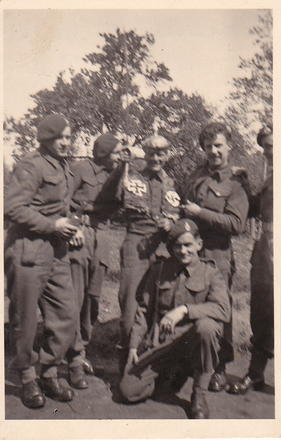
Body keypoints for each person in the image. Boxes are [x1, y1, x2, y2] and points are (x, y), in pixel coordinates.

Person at [4, 114, 81, 408]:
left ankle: (49, 371)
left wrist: (74, 226)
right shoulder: (31, 165)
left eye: (69, 136)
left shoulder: (64, 166)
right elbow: (12, 209)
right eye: (61, 137)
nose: (67, 142)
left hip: (56, 251)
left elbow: (64, 206)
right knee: (25, 320)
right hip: (27, 249)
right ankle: (27, 377)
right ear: (46, 138)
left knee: (66, 314)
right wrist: (53, 226)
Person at [119, 218, 230, 419]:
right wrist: (134, 346)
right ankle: (171, 372)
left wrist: (185, 310)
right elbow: (144, 310)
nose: (183, 251)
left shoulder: (211, 272)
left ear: (199, 244)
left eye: (188, 245)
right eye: (177, 246)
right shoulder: (160, 270)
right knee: (128, 390)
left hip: (194, 341)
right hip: (164, 344)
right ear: (171, 248)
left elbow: (223, 309)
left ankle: (199, 393)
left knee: (208, 327)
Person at [99, 135, 180, 367]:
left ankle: (154, 360)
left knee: (159, 302)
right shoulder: (131, 176)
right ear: (145, 153)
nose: (156, 157)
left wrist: (171, 224)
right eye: (152, 152)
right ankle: (126, 361)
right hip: (136, 242)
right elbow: (112, 195)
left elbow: (177, 212)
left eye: (161, 153)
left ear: (167, 155)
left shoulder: (171, 183)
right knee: (131, 302)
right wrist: (123, 165)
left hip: (163, 246)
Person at [181, 121, 249, 392]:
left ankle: (220, 368)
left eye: (218, 145)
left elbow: (237, 224)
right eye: (209, 146)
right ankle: (193, 362)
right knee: (192, 301)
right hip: (193, 253)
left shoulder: (236, 182)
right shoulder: (196, 175)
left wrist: (200, 213)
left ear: (228, 146)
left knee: (221, 309)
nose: (214, 151)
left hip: (219, 254)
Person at [66, 133, 124, 388]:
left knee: (93, 299)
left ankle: (83, 349)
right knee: (75, 297)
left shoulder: (118, 173)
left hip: (103, 234)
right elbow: (61, 200)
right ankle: (74, 359)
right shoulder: (80, 168)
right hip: (80, 234)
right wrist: (72, 227)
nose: (119, 156)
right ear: (103, 152)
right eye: (116, 153)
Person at [227, 123, 273, 394]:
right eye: (266, 146)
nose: (269, 151)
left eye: (272, 145)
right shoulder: (271, 177)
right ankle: (256, 374)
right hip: (267, 248)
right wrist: (244, 185)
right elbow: (258, 210)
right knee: (263, 310)